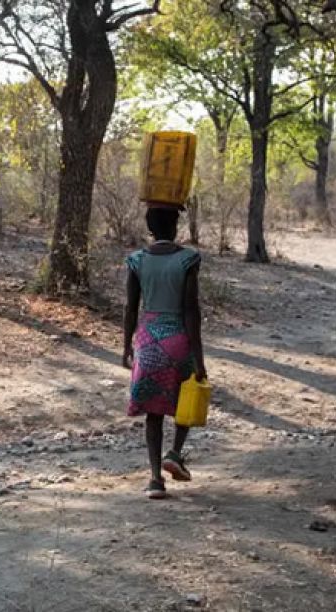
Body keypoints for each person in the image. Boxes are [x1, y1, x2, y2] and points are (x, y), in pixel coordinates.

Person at [122, 206, 207, 500]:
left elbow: (131, 308)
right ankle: (175, 452)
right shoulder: (188, 260)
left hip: (147, 341)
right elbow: (191, 310)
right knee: (187, 396)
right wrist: (198, 356)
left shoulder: (136, 260)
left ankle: (156, 479)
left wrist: (125, 347)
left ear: (150, 229)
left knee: (154, 414)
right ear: (174, 227)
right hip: (178, 338)